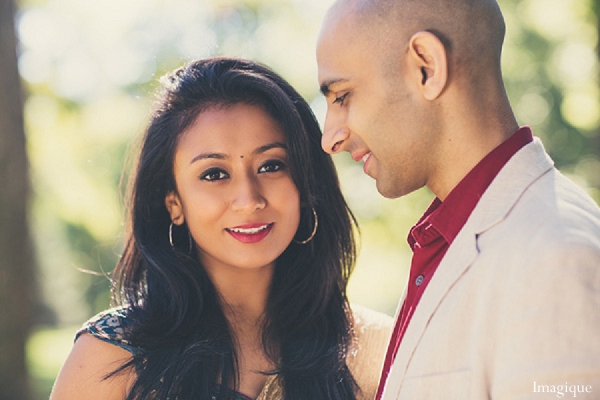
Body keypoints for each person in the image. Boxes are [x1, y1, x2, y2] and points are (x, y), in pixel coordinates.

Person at [49, 57, 392, 400]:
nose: (248, 199)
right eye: (214, 174)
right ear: (174, 203)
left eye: (271, 165)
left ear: (305, 183)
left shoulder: (377, 349)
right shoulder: (111, 358)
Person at [316, 0, 600, 398]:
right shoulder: (450, 240)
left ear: (426, 67)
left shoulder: (555, 257)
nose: (330, 138)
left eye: (342, 96)